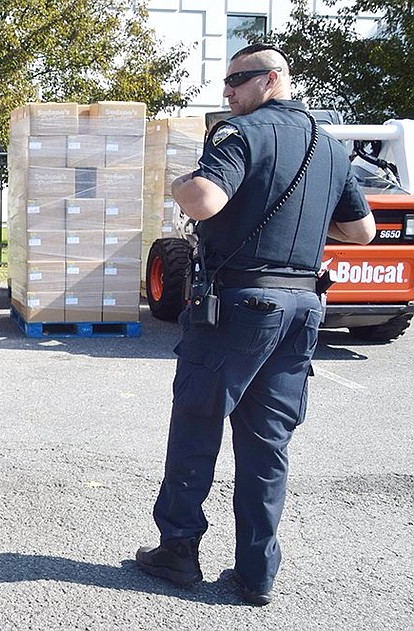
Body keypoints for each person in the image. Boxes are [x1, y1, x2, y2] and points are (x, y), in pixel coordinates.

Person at [134, 44, 377, 606]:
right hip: (301, 308)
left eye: (237, 81)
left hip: (238, 305)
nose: (228, 93)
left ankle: (178, 550)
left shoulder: (241, 135)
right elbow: (360, 232)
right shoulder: (330, 147)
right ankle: (256, 572)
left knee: (197, 426)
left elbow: (202, 200)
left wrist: (179, 185)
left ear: (271, 79)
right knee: (268, 443)